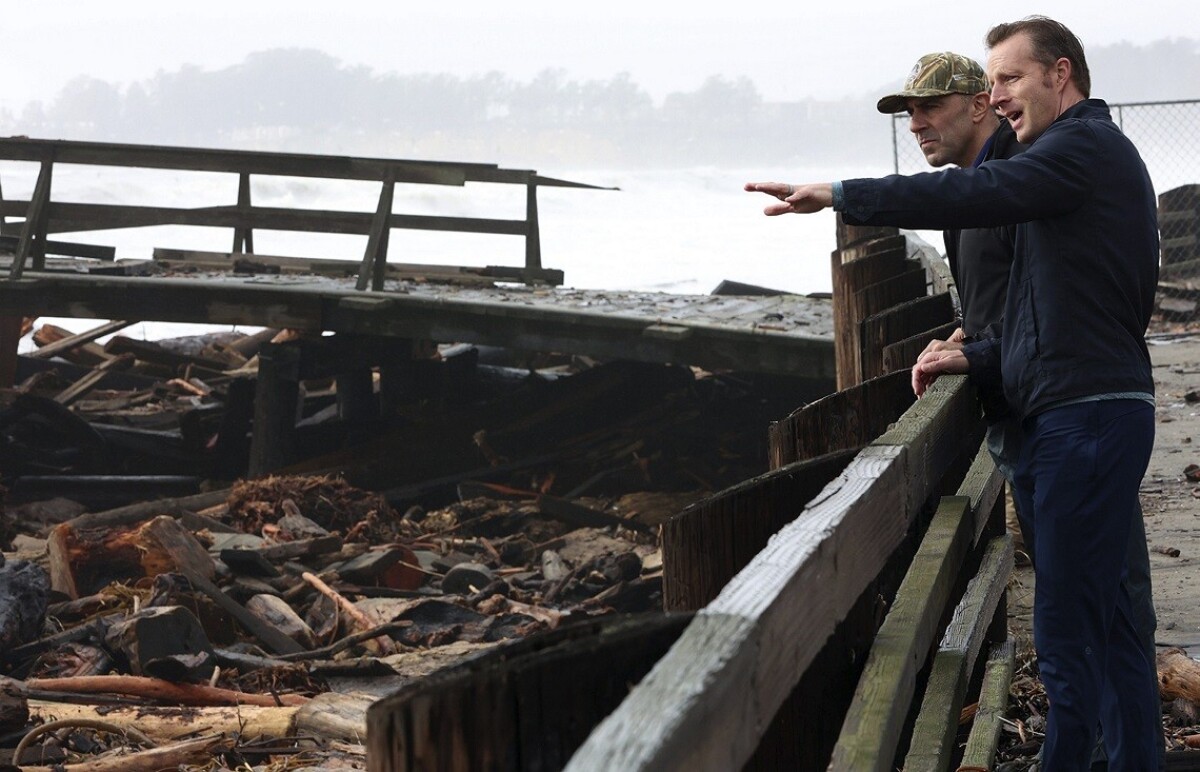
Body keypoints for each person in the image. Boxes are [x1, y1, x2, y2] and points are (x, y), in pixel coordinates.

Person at [747, 17, 1161, 771]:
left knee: (1071, 631)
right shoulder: (1065, 169)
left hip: (1084, 417)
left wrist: (840, 193)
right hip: (1085, 407)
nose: (994, 95)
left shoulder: (1080, 149)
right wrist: (977, 348)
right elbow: (1055, 311)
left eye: (1005, 79)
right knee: (1107, 627)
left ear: (1059, 74)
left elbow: (981, 194)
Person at [880, 48, 1163, 770]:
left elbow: (1052, 311)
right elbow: (1007, 306)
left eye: (929, 108)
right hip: (1042, 414)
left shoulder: (1015, 184)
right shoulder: (983, 188)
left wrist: (977, 353)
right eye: (906, 113)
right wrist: (968, 335)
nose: (915, 124)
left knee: (1098, 618)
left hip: (1067, 417)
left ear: (979, 104)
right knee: (1094, 615)